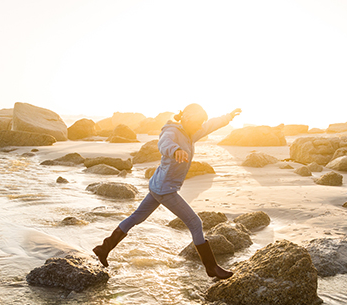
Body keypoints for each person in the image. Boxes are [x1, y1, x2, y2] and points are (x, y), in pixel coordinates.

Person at [93, 103, 241, 279]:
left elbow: (211, 125)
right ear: (187, 118)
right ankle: (211, 267)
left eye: (202, 122)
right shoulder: (172, 131)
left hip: (158, 186)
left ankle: (103, 248)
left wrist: (229, 116)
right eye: (198, 121)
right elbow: (164, 143)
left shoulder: (191, 133)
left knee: (136, 218)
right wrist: (175, 150)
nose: (201, 125)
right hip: (165, 190)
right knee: (195, 223)